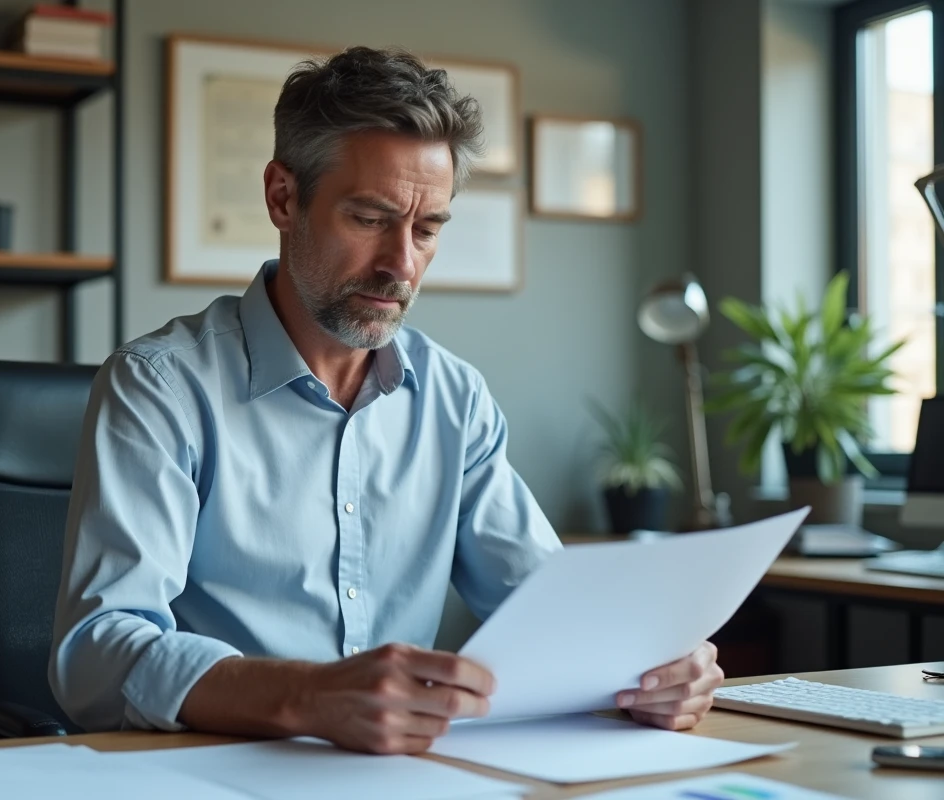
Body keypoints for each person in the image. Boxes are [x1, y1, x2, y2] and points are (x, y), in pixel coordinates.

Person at [49, 45, 723, 754]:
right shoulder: (160, 387)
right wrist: (308, 699)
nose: (401, 264)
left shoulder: (454, 400)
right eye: (370, 219)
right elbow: (97, 654)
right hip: (212, 770)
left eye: (427, 229)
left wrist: (653, 666)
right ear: (283, 197)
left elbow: (549, 611)